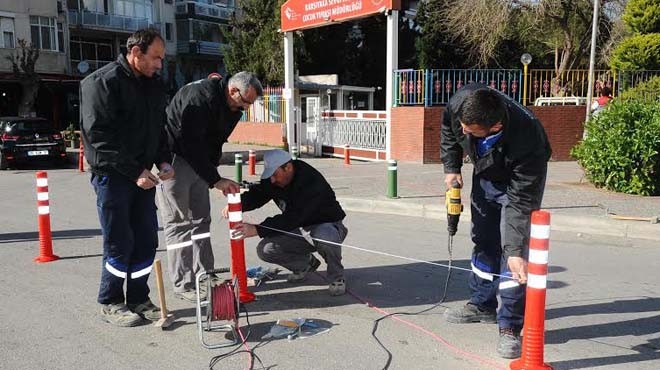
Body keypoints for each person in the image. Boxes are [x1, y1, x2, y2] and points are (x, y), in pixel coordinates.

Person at [440, 84, 551, 358]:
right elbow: (449, 131)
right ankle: (482, 304)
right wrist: (452, 168)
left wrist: (514, 251)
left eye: (471, 130)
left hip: (517, 183)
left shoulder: (528, 140)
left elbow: (520, 203)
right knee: (483, 238)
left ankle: (510, 326)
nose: (463, 132)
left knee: (512, 254)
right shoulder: (461, 104)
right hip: (486, 172)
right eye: (463, 126)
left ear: (495, 125)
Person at [80, 28, 173, 327]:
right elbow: (99, 138)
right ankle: (111, 302)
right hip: (114, 178)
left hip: (144, 176)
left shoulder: (154, 85)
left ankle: (138, 298)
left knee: (146, 238)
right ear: (135, 53)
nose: (160, 64)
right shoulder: (101, 83)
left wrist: (164, 160)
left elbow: (159, 129)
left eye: (162, 58)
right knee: (120, 240)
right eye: (155, 57)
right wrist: (135, 172)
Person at [159, 72, 263, 302]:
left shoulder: (233, 109)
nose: (246, 108)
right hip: (176, 159)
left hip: (201, 163)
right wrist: (215, 180)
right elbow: (190, 143)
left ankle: (205, 275)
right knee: (179, 223)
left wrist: (211, 174)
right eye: (245, 101)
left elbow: (216, 142)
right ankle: (184, 283)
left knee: (201, 220)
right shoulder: (199, 97)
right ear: (233, 91)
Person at [224, 149, 348, 296]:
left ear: (288, 167)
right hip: (299, 228)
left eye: (275, 175)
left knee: (325, 235)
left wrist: (257, 229)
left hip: (327, 225)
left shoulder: (310, 181)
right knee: (266, 249)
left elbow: (294, 216)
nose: (273, 180)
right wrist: (237, 204)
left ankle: (337, 277)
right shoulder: (273, 178)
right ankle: (305, 264)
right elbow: (258, 194)